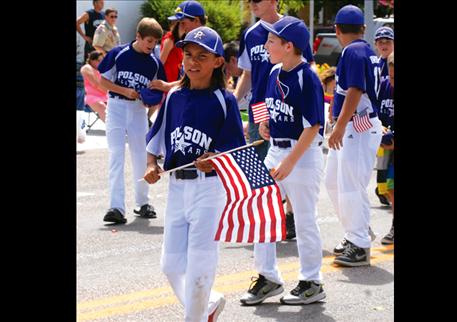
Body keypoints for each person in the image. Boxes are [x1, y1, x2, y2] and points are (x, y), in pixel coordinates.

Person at [144, 26, 245, 322]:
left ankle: (197, 317)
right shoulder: (174, 96)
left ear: (217, 62)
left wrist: (216, 161)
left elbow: (236, 152)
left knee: (200, 266)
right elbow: (155, 139)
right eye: (188, 55)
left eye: (203, 56)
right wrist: (151, 165)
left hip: (209, 189)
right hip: (177, 187)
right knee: (171, 265)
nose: (193, 61)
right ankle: (209, 304)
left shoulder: (223, 100)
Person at [239, 16, 326, 306]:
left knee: (303, 219)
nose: (266, 45)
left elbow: (313, 125)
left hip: (302, 154)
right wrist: (266, 126)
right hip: (277, 149)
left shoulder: (307, 76)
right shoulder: (276, 70)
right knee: (262, 212)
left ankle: (312, 281)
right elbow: (270, 106)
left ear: (289, 46)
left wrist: (290, 162)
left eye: (272, 41)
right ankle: (269, 277)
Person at [235, 0, 315, 243]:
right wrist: (233, 101)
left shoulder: (292, 28)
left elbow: (306, 63)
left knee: (288, 156)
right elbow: (247, 74)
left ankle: (290, 215)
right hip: (260, 104)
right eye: (249, 1)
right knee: (262, 159)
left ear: (273, 1)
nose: (252, 4)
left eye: (257, 0)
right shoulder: (251, 34)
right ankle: (264, 214)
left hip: (287, 103)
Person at [324, 5, 383, 267]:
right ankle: (358, 231)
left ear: (337, 29)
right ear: (363, 28)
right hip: (355, 124)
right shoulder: (363, 49)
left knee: (350, 185)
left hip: (358, 125)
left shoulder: (353, 50)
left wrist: (339, 124)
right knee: (334, 183)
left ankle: (359, 243)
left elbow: (356, 90)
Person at [97, 17, 167, 224]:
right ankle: (116, 207)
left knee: (140, 157)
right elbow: (102, 81)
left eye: (155, 42)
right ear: (138, 36)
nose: (152, 46)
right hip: (116, 107)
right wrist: (125, 90)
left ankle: (143, 202)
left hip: (138, 111)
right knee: (116, 156)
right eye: (149, 41)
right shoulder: (119, 54)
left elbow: (158, 91)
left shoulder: (154, 62)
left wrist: (150, 105)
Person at [148, 0, 207, 93]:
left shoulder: (206, 43)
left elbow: (197, 80)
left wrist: (167, 86)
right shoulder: (190, 41)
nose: (181, 26)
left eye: (183, 22)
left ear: (196, 20)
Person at [373, 26, 394, 205]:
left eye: (388, 41)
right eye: (381, 42)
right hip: (383, 118)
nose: (384, 45)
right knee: (382, 159)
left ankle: (386, 189)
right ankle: (381, 189)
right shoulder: (375, 65)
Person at [378, 52, 394, 244]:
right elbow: (377, 112)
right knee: (389, 187)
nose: (393, 81)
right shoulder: (384, 86)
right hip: (387, 144)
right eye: (391, 76)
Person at [80, 51, 107, 122]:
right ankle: (111, 130)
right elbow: (96, 84)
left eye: (102, 61)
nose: (101, 63)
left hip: (106, 96)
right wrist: (109, 92)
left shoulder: (101, 69)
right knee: (102, 106)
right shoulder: (86, 68)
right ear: (92, 60)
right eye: (99, 61)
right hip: (92, 97)